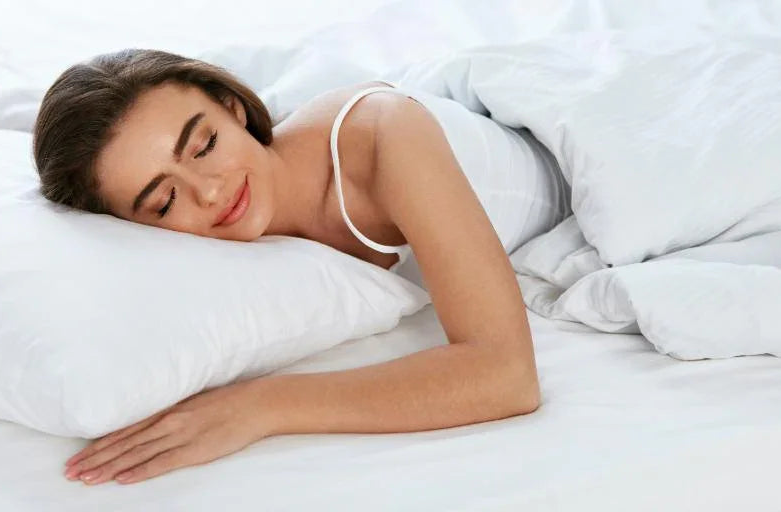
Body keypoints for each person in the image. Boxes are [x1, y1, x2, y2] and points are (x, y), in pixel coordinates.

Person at [34, 48, 569, 486]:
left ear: (232, 107)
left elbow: (506, 376)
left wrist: (261, 407)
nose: (211, 190)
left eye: (205, 145)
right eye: (164, 202)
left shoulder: (385, 136)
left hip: (554, 158)